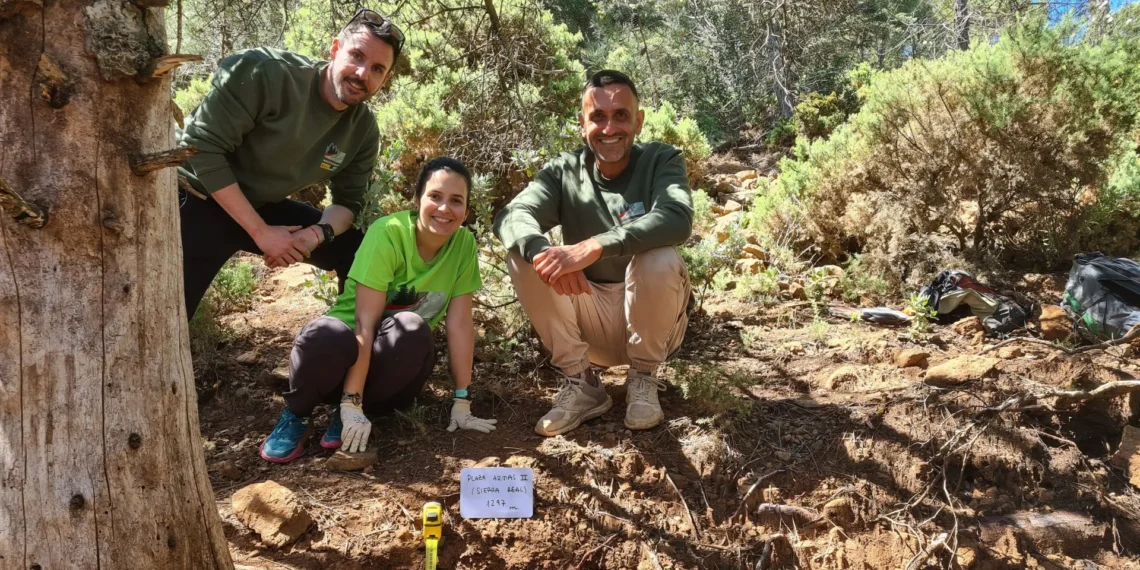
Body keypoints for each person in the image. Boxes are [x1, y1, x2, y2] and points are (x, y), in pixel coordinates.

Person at [494, 70, 693, 437]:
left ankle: (644, 378)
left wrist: (593, 247)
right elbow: (511, 215)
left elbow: (677, 218)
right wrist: (545, 255)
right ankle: (582, 383)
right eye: (597, 116)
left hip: (651, 319)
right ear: (581, 122)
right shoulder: (565, 171)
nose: (609, 127)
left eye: (621, 115)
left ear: (639, 120)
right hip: (587, 311)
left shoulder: (661, 159)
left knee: (659, 256)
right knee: (524, 254)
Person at [260, 157, 496, 463]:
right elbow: (363, 324)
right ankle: (299, 414)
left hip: (386, 373)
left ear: (466, 209)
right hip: (339, 358)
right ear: (417, 200)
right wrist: (350, 401)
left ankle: (355, 413)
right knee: (324, 334)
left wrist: (462, 399)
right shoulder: (389, 233)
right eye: (435, 197)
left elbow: (461, 324)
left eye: (456, 200)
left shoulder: (463, 245)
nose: (444, 209)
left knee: (412, 329)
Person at [177, 8, 404, 319]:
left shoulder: (362, 130)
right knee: (169, 317)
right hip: (196, 196)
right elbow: (199, 147)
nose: (363, 74)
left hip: (262, 204)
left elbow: (348, 203)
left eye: (377, 69)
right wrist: (261, 232)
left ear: (386, 78)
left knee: (357, 248)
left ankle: (346, 344)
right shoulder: (265, 72)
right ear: (335, 48)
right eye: (357, 56)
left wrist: (313, 236)